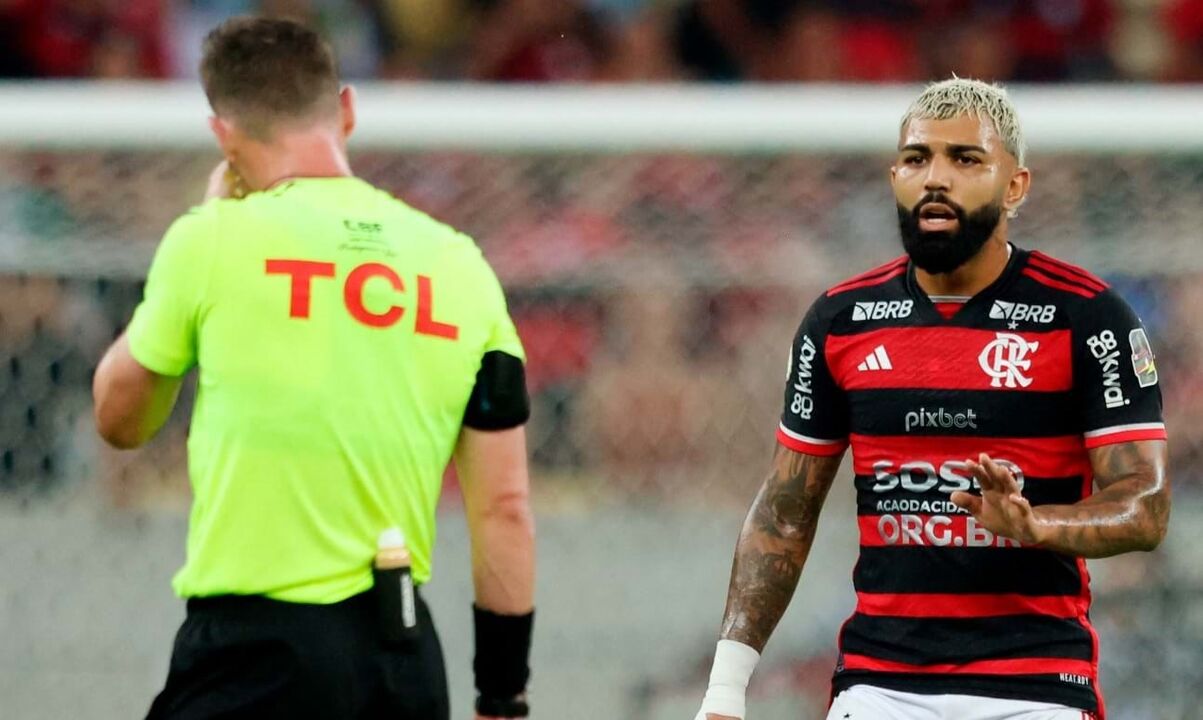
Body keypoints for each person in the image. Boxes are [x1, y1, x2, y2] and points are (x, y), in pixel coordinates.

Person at [92, 17, 535, 720]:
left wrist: (203, 228)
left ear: (223, 136)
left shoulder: (212, 239)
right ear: (347, 110)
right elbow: (503, 507)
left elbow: (120, 420)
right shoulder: (459, 263)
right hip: (403, 664)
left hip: (255, 657)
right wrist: (502, 697)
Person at [695, 78, 1170, 720]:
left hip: (1036, 687)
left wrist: (1037, 525)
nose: (936, 178)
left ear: (1015, 187)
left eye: (965, 159)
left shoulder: (1088, 317)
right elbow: (784, 513)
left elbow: (1145, 506)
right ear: (895, 176)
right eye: (918, 159)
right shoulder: (840, 322)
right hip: (880, 687)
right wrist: (725, 690)